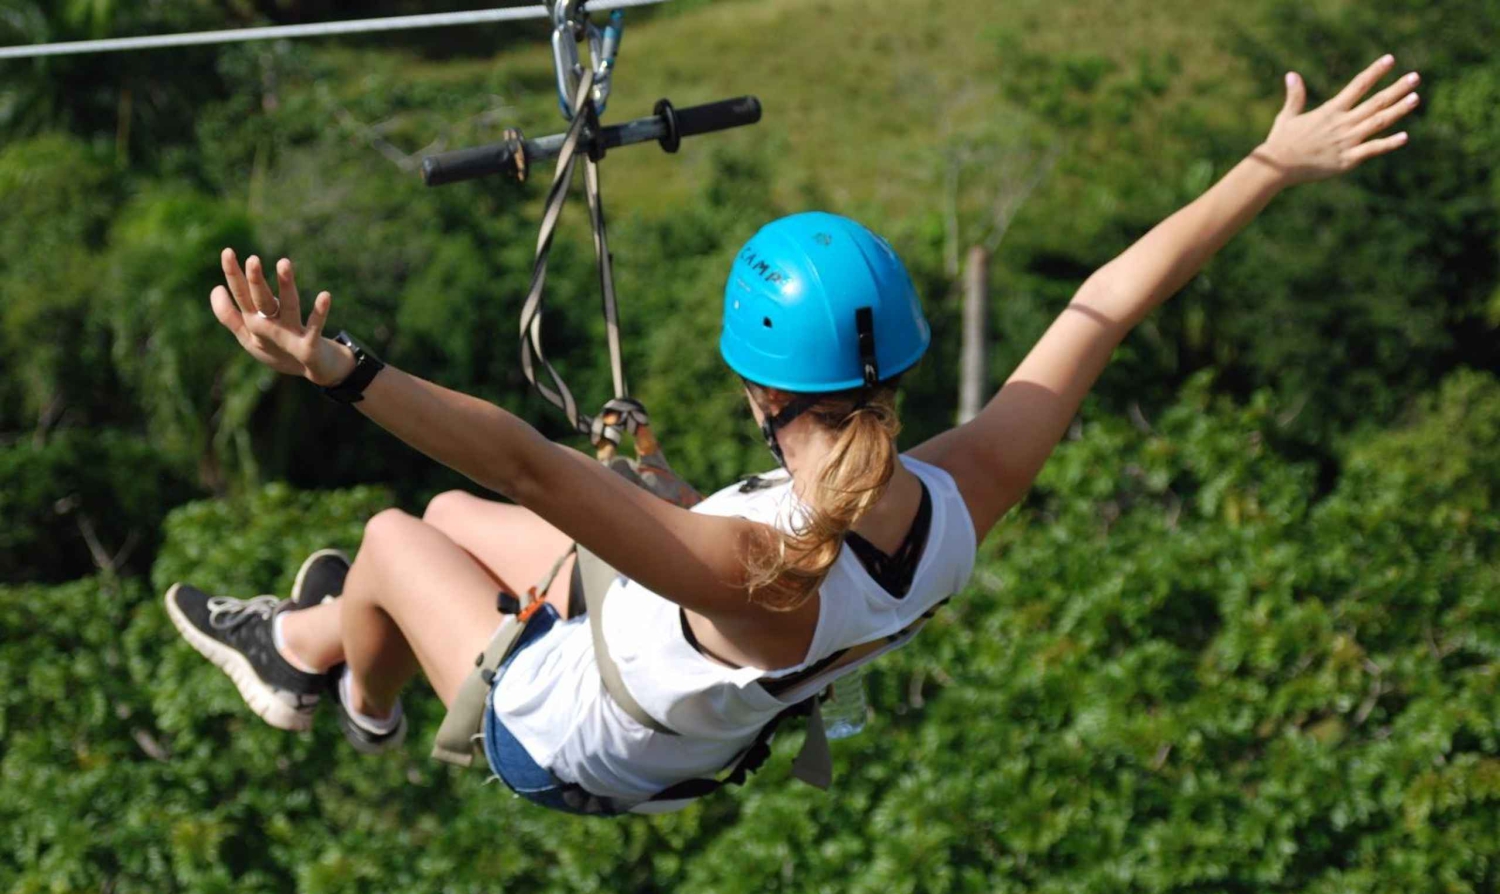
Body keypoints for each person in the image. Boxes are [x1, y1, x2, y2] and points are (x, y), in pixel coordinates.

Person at [166, 57, 1420, 815]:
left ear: (758, 390)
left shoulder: (750, 569)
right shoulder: (955, 494)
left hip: (565, 737)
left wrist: (337, 366)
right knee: (452, 526)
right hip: (661, 647)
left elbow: (520, 457)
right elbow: (1108, 301)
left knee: (393, 534)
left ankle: (333, 682)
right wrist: (1270, 161)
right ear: (898, 365)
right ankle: (331, 648)